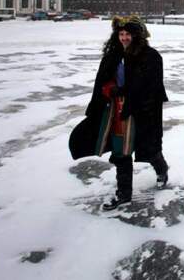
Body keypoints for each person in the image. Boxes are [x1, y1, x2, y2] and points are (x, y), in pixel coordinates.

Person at [69, 15, 169, 210]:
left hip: (141, 112)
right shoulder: (112, 56)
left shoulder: (151, 56)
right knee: (120, 151)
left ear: (137, 35)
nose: (124, 38)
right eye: (121, 34)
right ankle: (124, 194)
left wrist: (124, 91)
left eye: (128, 34)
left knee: (149, 149)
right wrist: (107, 90)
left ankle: (161, 170)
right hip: (115, 111)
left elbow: (152, 87)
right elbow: (102, 81)